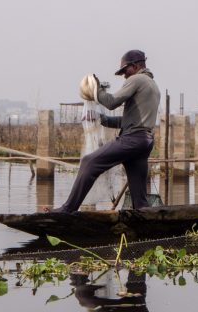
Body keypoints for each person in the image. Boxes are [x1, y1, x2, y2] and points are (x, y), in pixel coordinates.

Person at [57, 50, 160, 212]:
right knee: (139, 200)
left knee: (88, 162)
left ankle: (67, 209)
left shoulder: (137, 79)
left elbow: (112, 102)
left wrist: (96, 90)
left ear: (135, 66)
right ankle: (145, 218)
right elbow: (127, 122)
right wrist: (102, 119)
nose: (124, 76)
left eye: (125, 71)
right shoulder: (152, 85)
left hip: (132, 140)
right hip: (144, 142)